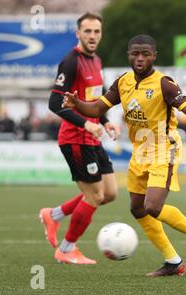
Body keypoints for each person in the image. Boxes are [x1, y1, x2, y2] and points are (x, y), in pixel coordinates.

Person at [62, 34, 186, 276]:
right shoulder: (123, 82)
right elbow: (96, 108)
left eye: (146, 54)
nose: (140, 58)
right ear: (129, 55)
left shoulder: (164, 83)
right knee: (137, 209)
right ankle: (173, 261)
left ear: (154, 56)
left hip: (164, 148)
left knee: (152, 207)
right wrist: (77, 104)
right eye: (135, 53)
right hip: (140, 151)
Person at [39, 12, 120, 265]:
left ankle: (53, 215)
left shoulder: (96, 60)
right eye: (87, 31)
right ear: (78, 33)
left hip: (93, 137)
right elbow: (54, 102)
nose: (92, 36)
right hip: (75, 138)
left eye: (96, 31)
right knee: (94, 196)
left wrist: (105, 122)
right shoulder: (70, 62)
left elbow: (96, 99)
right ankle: (66, 248)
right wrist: (86, 123)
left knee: (110, 193)